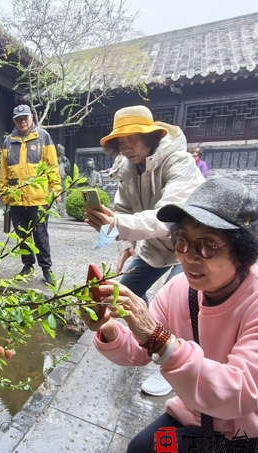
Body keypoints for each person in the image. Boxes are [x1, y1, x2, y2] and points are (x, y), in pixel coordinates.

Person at [83, 179, 258, 453]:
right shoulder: (180, 289)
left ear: (244, 253)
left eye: (208, 245)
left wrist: (159, 338)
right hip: (201, 414)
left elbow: (239, 394)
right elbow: (139, 351)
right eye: (183, 241)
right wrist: (108, 326)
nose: (190, 256)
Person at [85, 105, 205, 396]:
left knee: (186, 306)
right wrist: (126, 244)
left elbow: (168, 216)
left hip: (189, 244)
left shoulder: (178, 161)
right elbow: (124, 210)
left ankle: (174, 366)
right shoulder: (126, 169)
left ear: (150, 138)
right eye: (121, 142)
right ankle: (146, 336)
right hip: (153, 244)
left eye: (133, 139)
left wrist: (116, 225)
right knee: (122, 293)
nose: (126, 147)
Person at [0, 104, 62, 285]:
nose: (23, 122)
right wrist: (4, 192)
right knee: (22, 235)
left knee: (40, 235)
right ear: (14, 121)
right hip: (16, 198)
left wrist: (56, 188)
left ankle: (46, 268)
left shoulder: (43, 136)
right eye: (19, 119)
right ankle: (27, 265)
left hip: (38, 197)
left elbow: (52, 165)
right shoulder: (8, 141)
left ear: (32, 118)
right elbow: (4, 171)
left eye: (25, 118)